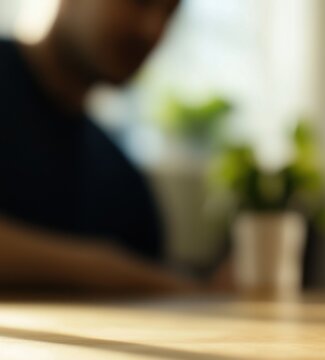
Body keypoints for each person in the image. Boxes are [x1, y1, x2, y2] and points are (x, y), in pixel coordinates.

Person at [0, 0, 197, 294]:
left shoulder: (124, 185)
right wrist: (101, 270)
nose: (152, 30)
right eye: (139, 4)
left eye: (169, 13)